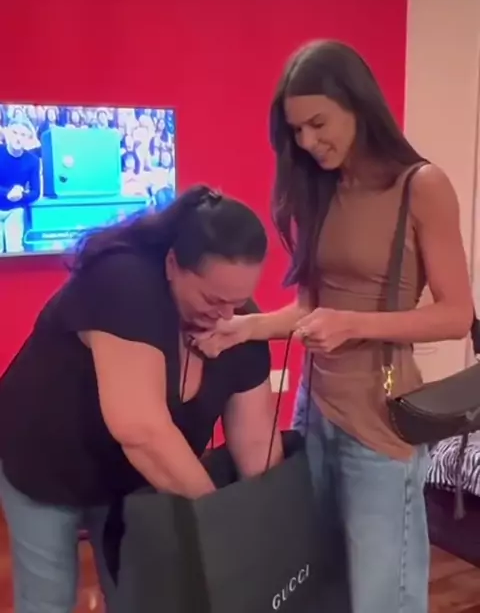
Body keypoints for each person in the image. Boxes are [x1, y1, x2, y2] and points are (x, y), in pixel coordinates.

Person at [193, 41, 473, 613]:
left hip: (380, 418)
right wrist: (245, 328)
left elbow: (456, 315)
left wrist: (352, 324)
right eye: (296, 130)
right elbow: (310, 309)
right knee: (322, 582)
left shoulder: (421, 186)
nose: (306, 142)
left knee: (380, 596)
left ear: (357, 104)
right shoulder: (320, 189)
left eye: (318, 124)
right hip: (314, 409)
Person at [0, 184, 283, 613]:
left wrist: (269, 527)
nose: (226, 316)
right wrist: (219, 523)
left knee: (138, 596)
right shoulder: (123, 282)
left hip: (132, 480)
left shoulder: (237, 324)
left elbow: (257, 444)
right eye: (212, 299)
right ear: (171, 265)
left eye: (238, 302)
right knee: (48, 598)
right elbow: (141, 429)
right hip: (45, 459)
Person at [0, 116, 41, 253]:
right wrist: (8, 193)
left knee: (15, 250)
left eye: (23, 135)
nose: (18, 138)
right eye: (15, 133)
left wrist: (21, 194)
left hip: (15, 209)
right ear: (8, 133)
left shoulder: (33, 161)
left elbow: (36, 192)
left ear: (28, 139)